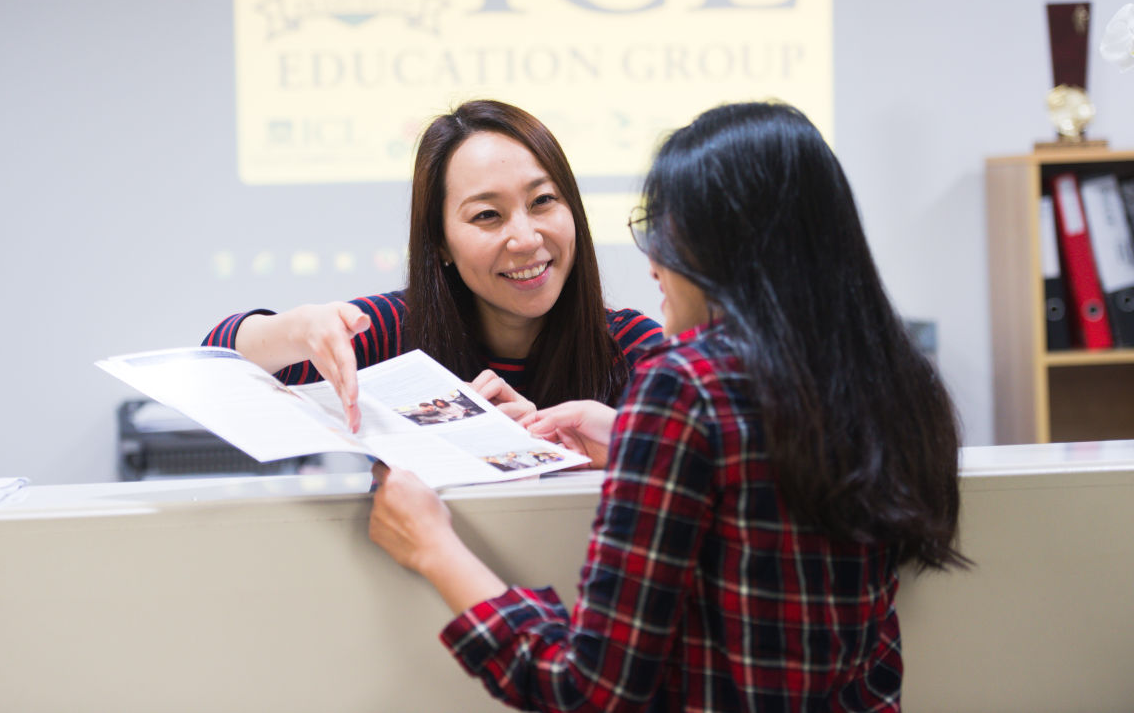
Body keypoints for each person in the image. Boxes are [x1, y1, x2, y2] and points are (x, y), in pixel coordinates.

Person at [368, 101, 967, 711]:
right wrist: (636, 443)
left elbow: (589, 690)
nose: (652, 260)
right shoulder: (891, 379)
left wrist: (432, 546)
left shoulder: (685, 387)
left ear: (729, 243)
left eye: (666, 231)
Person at [203, 100, 661, 431]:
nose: (525, 239)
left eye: (543, 201)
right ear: (440, 242)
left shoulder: (630, 348)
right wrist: (298, 328)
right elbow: (213, 367)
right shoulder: (392, 332)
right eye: (487, 215)